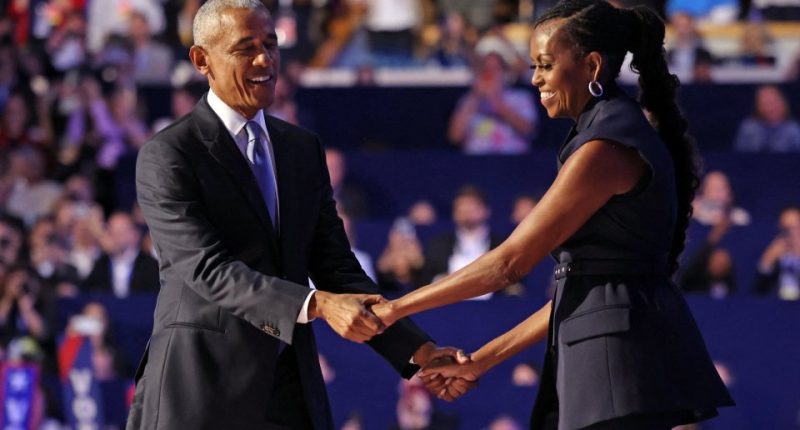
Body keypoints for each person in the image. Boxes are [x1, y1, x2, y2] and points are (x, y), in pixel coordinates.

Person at [373, 1, 733, 429]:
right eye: (533, 66)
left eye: (545, 65)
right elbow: (579, 293)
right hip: (614, 353)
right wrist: (481, 361)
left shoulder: (606, 147)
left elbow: (509, 264)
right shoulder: (606, 132)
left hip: (615, 362)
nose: (535, 79)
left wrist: (393, 309)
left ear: (592, 65)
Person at [126, 2, 463, 429]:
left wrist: (418, 352)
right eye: (246, 48)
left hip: (289, 389)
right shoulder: (169, 153)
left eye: (271, 44)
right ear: (201, 60)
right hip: (200, 389)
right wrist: (317, 303)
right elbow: (208, 269)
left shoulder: (301, 149)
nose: (264, 59)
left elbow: (336, 267)